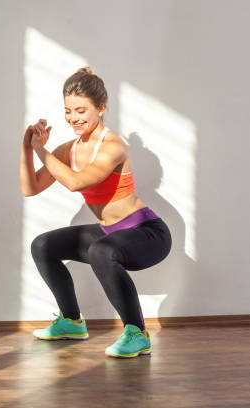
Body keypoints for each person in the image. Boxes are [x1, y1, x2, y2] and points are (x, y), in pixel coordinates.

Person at [19, 67, 172, 358]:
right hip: (109, 232)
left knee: (102, 251)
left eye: (81, 110)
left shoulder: (114, 146)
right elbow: (31, 188)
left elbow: (76, 182)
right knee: (43, 245)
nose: (73, 118)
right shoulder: (70, 148)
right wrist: (28, 147)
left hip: (148, 234)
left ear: (100, 108)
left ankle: (137, 333)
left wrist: (43, 151)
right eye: (68, 111)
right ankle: (71, 322)